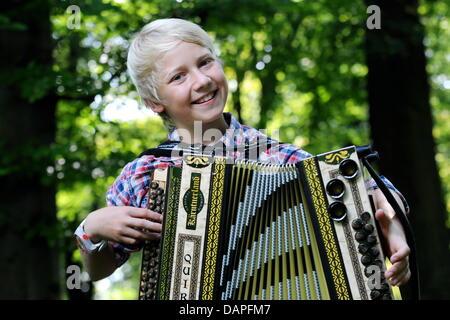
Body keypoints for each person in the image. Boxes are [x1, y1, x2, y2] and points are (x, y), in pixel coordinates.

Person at [73, 18, 411, 291]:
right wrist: (91, 229)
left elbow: (365, 190)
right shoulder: (144, 175)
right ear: (154, 102)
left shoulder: (277, 157)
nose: (202, 81)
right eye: (178, 76)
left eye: (206, 63)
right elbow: (100, 270)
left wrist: (390, 216)